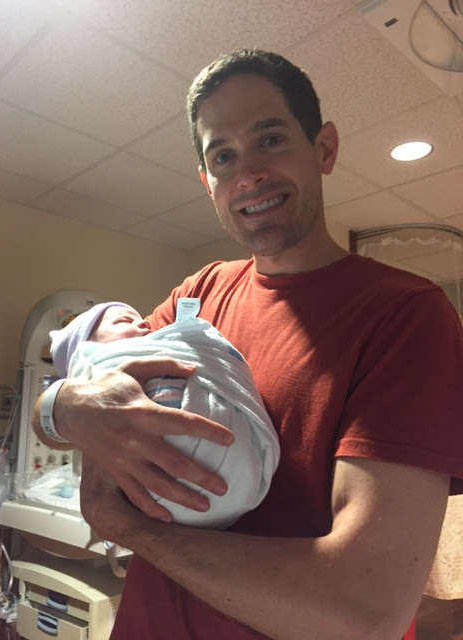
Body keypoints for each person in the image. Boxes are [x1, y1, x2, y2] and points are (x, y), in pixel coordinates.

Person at [32, 49, 463, 640]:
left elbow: (365, 610)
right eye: (223, 156)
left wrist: (125, 525)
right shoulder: (198, 295)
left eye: (271, 139)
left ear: (324, 149)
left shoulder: (406, 315)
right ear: (207, 181)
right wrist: (61, 407)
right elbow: (82, 388)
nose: (248, 174)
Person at [49, 301, 280, 528]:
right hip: (172, 495)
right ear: (86, 345)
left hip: (243, 473)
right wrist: (58, 405)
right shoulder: (93, 362)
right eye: (124, 321)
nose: (146, 325)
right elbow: (60, 414)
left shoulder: (164, 335)